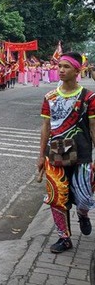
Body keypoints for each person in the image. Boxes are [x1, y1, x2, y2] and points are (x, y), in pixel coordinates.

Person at [37, 52, 95, 254]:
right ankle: (64, 237)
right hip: (57, 152)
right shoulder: (50, 97)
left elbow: (93, 128)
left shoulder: (89, 97)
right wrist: (41, 155)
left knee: (84, 198)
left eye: (66, 67)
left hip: (82, 154)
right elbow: (46, 127)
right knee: (57, 196)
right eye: (59, 66)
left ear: (77, 70)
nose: (61, 70)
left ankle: (83, 214)